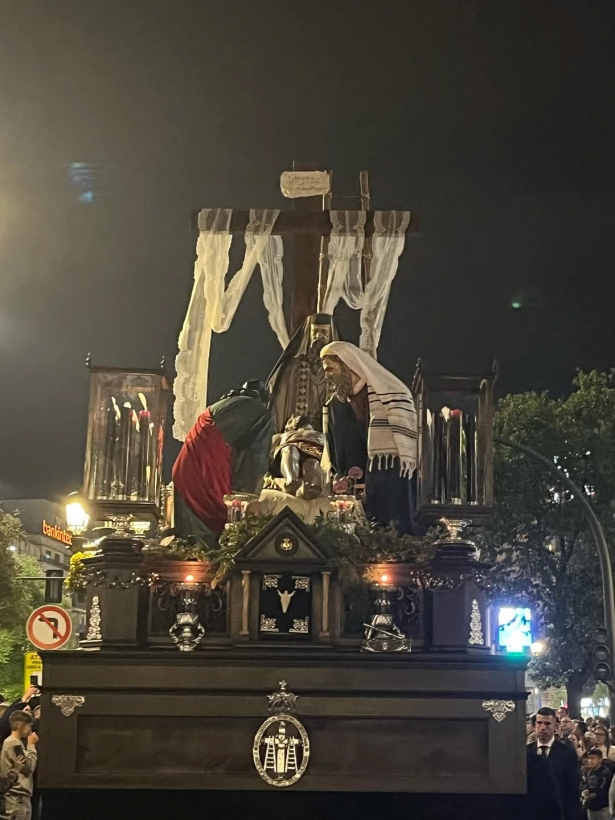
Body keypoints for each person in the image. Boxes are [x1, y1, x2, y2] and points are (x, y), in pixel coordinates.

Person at [320, 341, 419, 534]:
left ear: (348, 365)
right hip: (356, 488)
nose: (327, 377)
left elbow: (408, 440)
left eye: (331, 370)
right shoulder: (335, 406)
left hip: (392, 477)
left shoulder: (388, 393)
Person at [172, 381, 274, 544]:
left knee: (189, 542)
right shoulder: (259, 412)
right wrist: (251, 498)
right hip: (206, 475)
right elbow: (256, 459)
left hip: (184, 470)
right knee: (212, 543)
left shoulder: (221, 406)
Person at [267, 313, 339, 433]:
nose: (318, 337)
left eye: (324, 333)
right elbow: (278, 407)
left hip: (330, 435)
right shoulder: (293, 368)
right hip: (298, 434)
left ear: (331, 336)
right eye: (315, 332)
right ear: (308, 335)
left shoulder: (340, 371)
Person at [527, 707, 583, 820]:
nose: (542, 727)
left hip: (559, 811)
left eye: (547, 724)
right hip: (532, 811)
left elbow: (573, 785)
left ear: (556, 727)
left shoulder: (566, 752)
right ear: (534, 725)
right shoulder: (526, 752)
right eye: (539, 723)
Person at [269, 414, 325, 500]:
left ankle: (311, 486)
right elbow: (269, 450)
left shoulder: (321, 435)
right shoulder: (282, 435)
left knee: (312, 462)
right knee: (289, 451)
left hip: (313, 451)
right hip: (289, 448)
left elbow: (329, 451)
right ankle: (291, 480)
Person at [0, 710, 38, 820]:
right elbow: (28, 767)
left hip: (18, 798)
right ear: (20, 725)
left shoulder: (13, 742)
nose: (29, 730)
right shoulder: (14, 744)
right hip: (16, 798)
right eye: (28, 726)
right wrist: (31, 747)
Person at [581, 748, 614, 819]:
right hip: (591, 807)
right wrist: (585, 790)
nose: (590, 761)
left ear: (600, 759)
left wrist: (596, 794)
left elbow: (608, 789)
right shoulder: (587, 771)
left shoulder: (607, 772)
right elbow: (584, 784)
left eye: (593, 758)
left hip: (603, 808)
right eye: (589, 758)